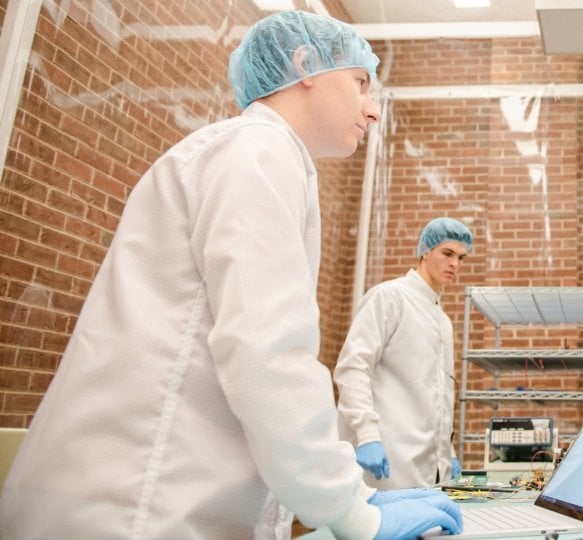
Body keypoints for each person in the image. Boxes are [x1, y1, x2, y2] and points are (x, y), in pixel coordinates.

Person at [0, 11, 462, 540]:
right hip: (136, 507)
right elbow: (268, 352)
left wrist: (350, 496)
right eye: (360, 82)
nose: (372, 110)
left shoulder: (249, 154)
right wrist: (355, 513)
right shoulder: (258, 151)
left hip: (142, 501)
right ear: (305, 64)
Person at [335, 217, 472, 489]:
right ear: (425, 250)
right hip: (386, 456)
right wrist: (367, 435)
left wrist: (449, 452)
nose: (455, 264)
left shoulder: (442, 320)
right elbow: (353, 367)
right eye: (447, 253)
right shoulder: (388, 297)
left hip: (431, 465)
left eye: (461, 257)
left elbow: (438, 395)